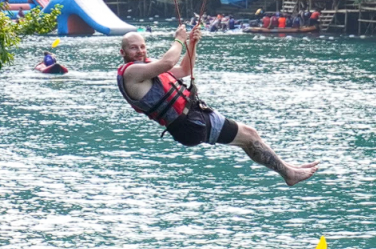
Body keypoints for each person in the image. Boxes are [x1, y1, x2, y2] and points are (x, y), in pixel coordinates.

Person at [117, 26, 318, 186]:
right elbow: (169, 62)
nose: (139, 51)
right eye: (133, 48)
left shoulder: (146, 69)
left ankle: (288, 168)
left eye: (142, 47)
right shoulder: (131, 74)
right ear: (123, 52)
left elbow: (185, 69)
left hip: (194, 117)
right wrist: (180, 39)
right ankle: (289, 173)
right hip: (189, 125)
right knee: (249, 136)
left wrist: (192, 44)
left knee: (249, 136)